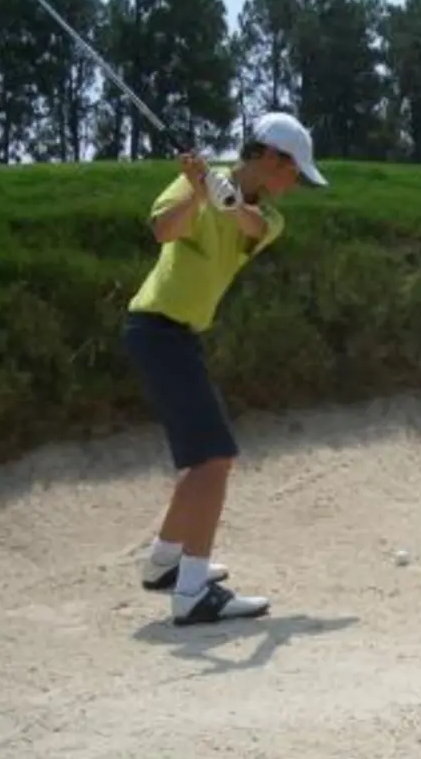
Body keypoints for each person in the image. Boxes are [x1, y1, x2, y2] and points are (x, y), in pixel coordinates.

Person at [121, 111, 327, 627]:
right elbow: (163, 230)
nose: (294, 182)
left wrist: (226, 198)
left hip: (178, 336)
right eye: (292, 170)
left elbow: (252, 225)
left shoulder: (268, 218)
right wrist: (196, 189)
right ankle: (192, 593)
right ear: (270, 158)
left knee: (205, 461)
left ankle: (165, 563)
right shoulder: (196, 179)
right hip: (154, 328)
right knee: (215, 458)